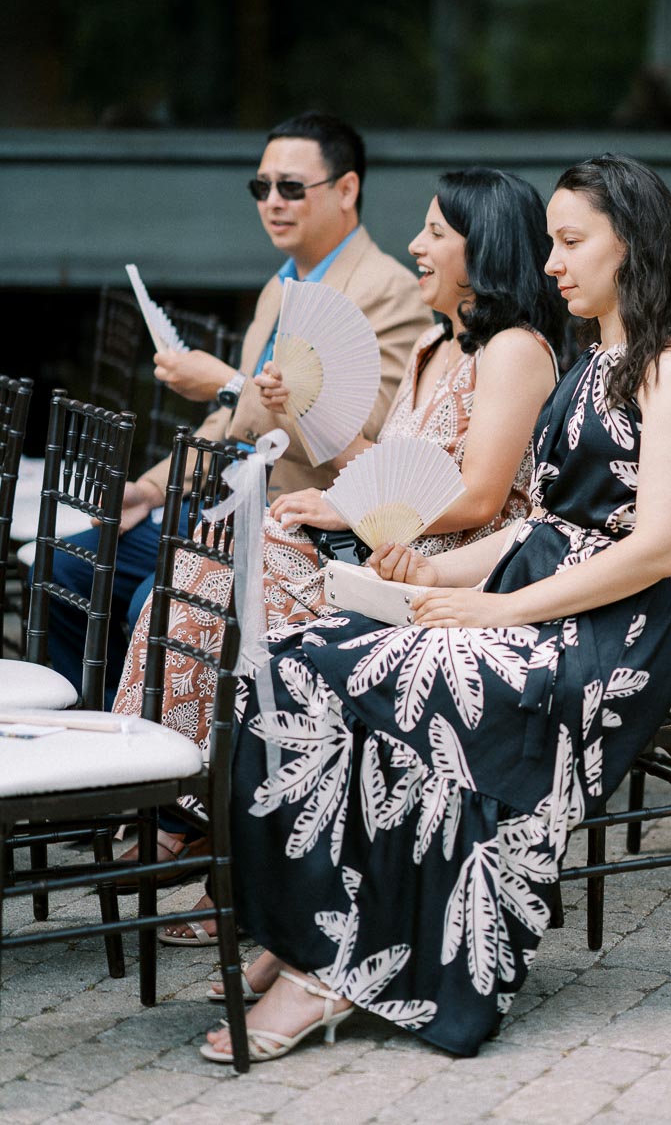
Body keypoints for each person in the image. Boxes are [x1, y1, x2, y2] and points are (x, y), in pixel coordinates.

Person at [202, 153, 671, 1064]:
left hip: (609, 642)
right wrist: (433, 586)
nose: (553, 262)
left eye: (572, 242)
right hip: (543, 600)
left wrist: (502, 612)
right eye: (554, 242)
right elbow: (546, 525)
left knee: (353, 674)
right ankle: (312, 935)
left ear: (633, 244)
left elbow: (657, 549)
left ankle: (327, 970)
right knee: (299, 655)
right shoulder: (596, 358)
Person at [116, 167, 566, 939]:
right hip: (381, 554)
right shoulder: (433, 345)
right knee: (200, 566)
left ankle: (224, 848)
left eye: (434, 232)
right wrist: (310, 418)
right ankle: (182, 799)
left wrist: (342, 505)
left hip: (444, 577)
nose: (415, 246)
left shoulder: (515, 350)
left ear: (480, 248)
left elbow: (484, 497)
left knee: (245, 596)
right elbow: (379, 461)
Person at [45, 111, 431, 698]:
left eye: (292, 187)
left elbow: (363, 439)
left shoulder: (389, 291)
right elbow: (232, 425)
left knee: (157, 600)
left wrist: (229, 381)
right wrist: (149, 490)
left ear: (347, 189)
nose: (272, 202)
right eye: (262, 187)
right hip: (221, 501)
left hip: (294, 524)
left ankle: (162, 766)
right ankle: (91, 747)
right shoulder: (281, 284)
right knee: (65, 568)